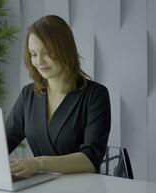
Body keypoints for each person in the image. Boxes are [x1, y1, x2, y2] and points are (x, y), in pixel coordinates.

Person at [6, 15, 111, 178]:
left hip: (84, 189)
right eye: (33, 54)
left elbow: (90, 159)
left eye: (47, 52)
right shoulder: (29, 94)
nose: (39, 61)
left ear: (65, 49)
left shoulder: (95, 95)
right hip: (40, 187)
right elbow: (6, 140)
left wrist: (38, 163)